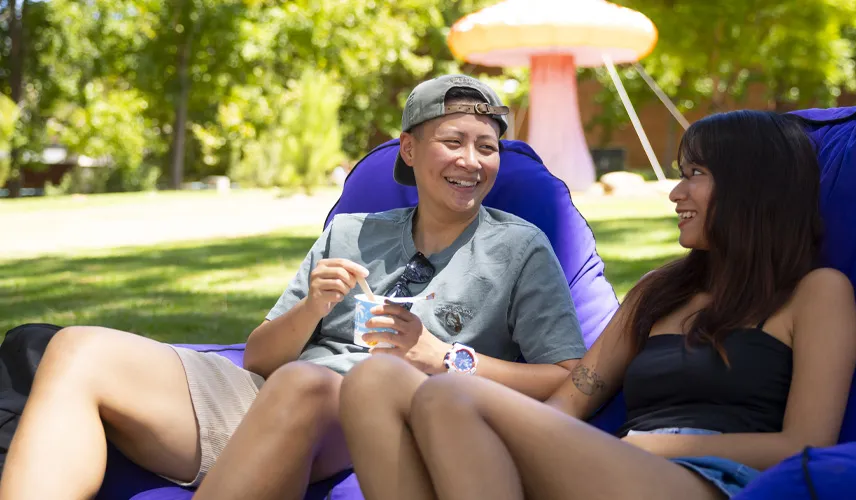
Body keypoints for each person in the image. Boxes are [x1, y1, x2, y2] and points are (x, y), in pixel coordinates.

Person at [0, 74, 587, 500]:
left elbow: (567, 376)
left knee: (304, 384)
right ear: (409, 150)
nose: (472, 160)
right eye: (453, 141)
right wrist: (313, 307)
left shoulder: (519, 248)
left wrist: (442, 356)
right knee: (75, 347)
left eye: (487, 147)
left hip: (373, 416)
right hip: (264, 396)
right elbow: (260, 356)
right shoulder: (352, 232)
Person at [338, 109, 856, 500]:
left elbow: (806, 445)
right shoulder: (660, 292)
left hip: (713, 481)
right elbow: (569, 404)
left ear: (753, 190)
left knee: (449, 397)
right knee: (374, 381)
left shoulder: (816, 293)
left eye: (695, 174)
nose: (677, 193)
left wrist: (652, 448)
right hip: (616, 468)